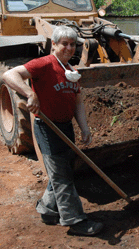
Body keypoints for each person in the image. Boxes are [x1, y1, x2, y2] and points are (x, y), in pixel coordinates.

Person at [2, 26, 103, 236]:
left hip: (66, 127)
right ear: (54, 45)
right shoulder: (44, 64)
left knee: (63, 170)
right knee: (62, 176)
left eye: (72, 44)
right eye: (64, 43)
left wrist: (84, 128)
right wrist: (30, 94)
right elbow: (9, 74)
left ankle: (48, 210)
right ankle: (75, 221)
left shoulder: (71, 72)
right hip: (47, 128)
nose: (69, 48)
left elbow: (78, 102)